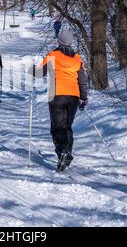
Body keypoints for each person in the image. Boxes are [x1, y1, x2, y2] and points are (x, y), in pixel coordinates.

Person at [36, 28, 88, 172]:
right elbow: (82, 79)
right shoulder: (77, 58)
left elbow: (40, 73)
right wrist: (83, 97)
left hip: (57, 95)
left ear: (59, 41)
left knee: (57, 127)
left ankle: (63, 153)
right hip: (73, 97)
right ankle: (67, 153)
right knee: (67, 127)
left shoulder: (52, 55)